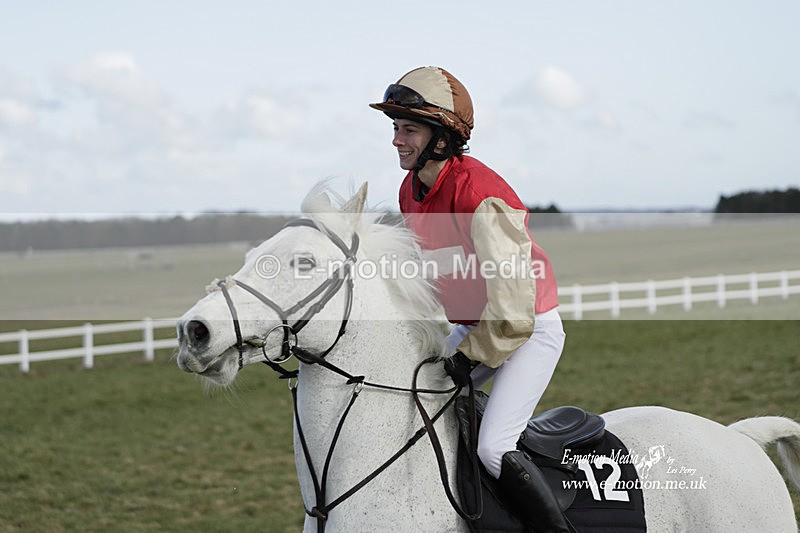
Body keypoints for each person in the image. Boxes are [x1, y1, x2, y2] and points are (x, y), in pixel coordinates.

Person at [370, 66, 571, 532]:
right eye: (396, 128)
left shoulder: (481, 194)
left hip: (525, 329)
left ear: (442, 136)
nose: (397, 140)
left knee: (494, 448)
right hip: (474, 326)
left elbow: (514, 311)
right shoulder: (410, 190)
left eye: (409, 130)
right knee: (412, 399)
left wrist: (468, 356)